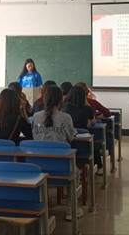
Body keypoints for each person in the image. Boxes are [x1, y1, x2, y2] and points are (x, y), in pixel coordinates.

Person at [32, 85, 82, 221]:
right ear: (61, 100)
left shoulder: (36, 116)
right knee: (76, 173)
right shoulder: (65, 117)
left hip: (38, 166)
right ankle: (72, 210)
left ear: (44, 99)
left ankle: (39, 207)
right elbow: (71, 138)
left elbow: (35, 137)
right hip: (61, 166)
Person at [62, 85, 104, 175]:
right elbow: (93, 122)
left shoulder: (65, 108)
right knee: (94, 145)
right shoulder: (87, 108)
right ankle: (100, 167)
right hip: (82, 141)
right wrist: (87, 104)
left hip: (69, 141)